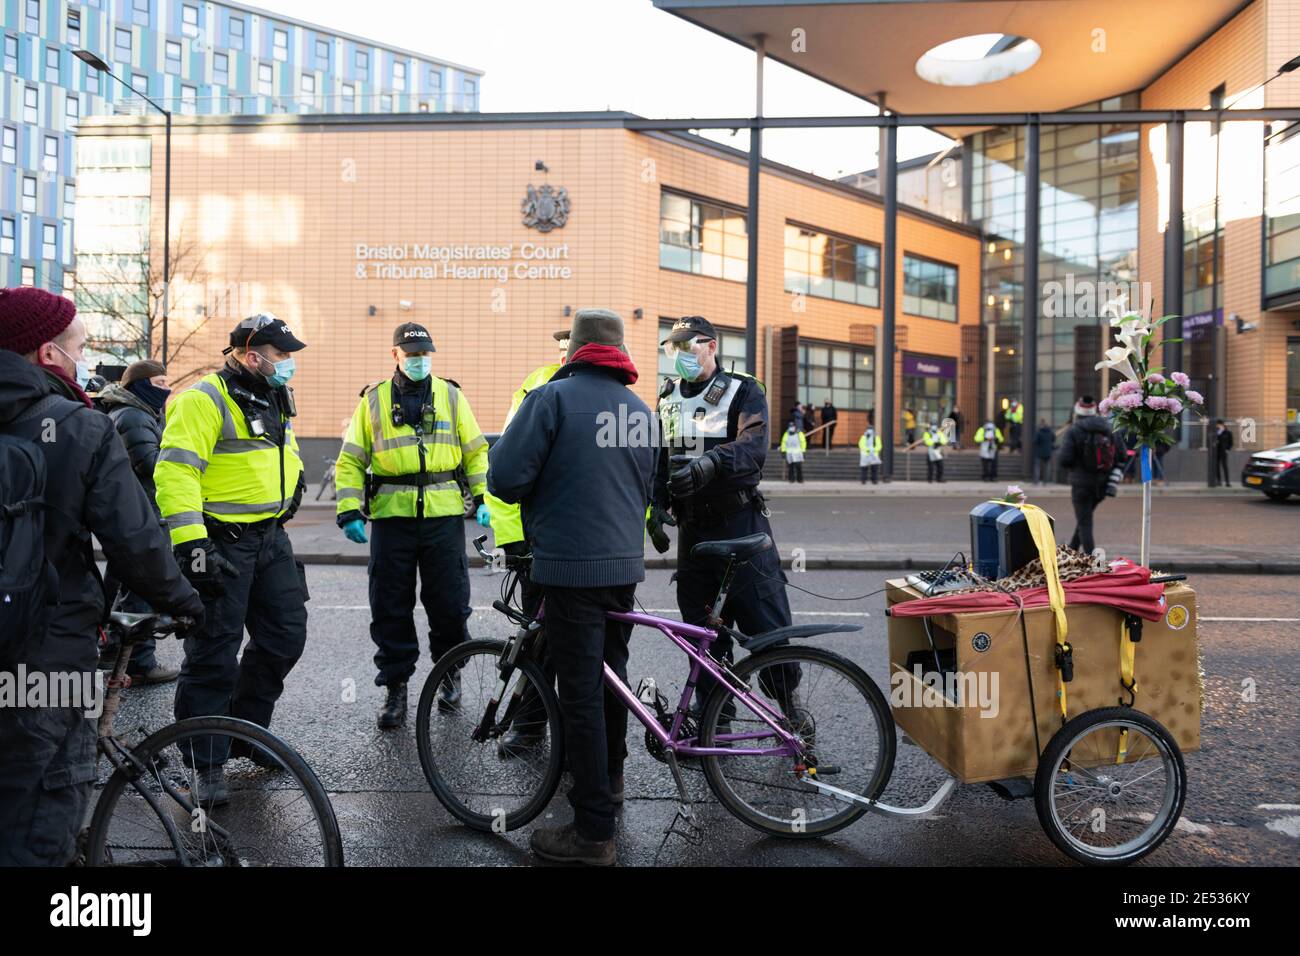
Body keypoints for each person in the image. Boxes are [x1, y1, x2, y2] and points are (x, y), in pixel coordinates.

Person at [0, 288, 203, 866]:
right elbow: (136, 540)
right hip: (48, 652)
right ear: (47, 354)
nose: (85, 360)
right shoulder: (79, 427)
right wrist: (185, 602)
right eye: (80, 347)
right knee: (45, 804)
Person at [488, 308, 654, 867]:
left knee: (579, 693)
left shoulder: (552, 399)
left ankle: (591, 834)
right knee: (612, 681)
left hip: (568, 567)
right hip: (622, 567)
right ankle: (610, 785)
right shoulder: (640, 410)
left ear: (574, 350)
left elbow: (505, 478)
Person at [155, 312, 310, 802]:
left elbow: (277, 452)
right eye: (280, 356)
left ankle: (246, 732)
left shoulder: (271, 393)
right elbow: (176, 473)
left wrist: (295, 481)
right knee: (213, 653)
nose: (287, 364)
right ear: (250, 355)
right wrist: (192, 544)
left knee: (285, 637)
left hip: (270, 538)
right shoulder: (203, 400)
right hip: (220, 540)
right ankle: (206, 762)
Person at [334, 322, 489, 728]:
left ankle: (450, 675)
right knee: (390, 606)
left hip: (443, 516)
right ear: (396, 355)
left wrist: (486, 498)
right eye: (412, 354)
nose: (420, 361)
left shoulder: (452, 396)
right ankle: (395, 687)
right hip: (392, 518)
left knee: (450, 604)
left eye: (425, 354)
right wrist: (349, 510)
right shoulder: (373, 401)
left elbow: (475, 452)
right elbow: (351, 458)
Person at [653, 315, 802, 729]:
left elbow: (754, 448)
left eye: (688, 347)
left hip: (741, 524)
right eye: (673, 348)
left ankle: (791, 712)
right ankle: (716, 717)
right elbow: (660, 458)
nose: (680, 356)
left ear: (711, 346)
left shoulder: (743, 390)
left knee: (765, 624)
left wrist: (711, 464)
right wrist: (655, 505)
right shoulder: (667, 397)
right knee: (701, 632)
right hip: (693, 532)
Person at [485, 327, 570, 755]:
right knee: (537, 637)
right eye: (558, 349)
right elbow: (503, 465)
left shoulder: (615, 391)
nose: (562, 357)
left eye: (569, 349)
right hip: (541, 540)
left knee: (593, 650)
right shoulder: (536, 386)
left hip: (589, 547)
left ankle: (585, 748)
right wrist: (513, 538)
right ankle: (532, 725)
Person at [97, 359, 178, 683]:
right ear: (139, 385)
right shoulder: (132, 415)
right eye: (159, 383)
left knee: (123, 585)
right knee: (142, 587)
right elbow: (150, 463)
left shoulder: (138, 412)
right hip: (142, 513)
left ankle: (114, 650)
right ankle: (140, 661)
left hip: (132, 513)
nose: (166, 389)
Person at [1057, 396, 1116, 556]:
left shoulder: (1074, 430)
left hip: (1081, 483)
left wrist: (1074, 467)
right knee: (1084, 519)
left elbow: (1065, 459)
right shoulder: (1107, 428)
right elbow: (1121, 454)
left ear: (1078, 411)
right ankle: (1071, 550)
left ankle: (1091, 561)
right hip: (1102, 484)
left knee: (1085, 523)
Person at [1033, 418, 1055, 485]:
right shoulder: (1050, 432)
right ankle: (1046, 481)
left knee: (1037, 467)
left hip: (1039, 452)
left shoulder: (1039, 432)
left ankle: (1036, 481)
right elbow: (1053, 439)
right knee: (1047, 467)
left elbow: (1035, 441)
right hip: (1048, 452)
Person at [1214, 419, 1234, 486]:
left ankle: (1227, 482)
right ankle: (1219, 481)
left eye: (1218, 424)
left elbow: (1231, 443)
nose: (1217, 426)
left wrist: (1227, 449)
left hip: (1224, 452)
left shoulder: (1228, 433)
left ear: (1221, 424)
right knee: (1217, 466)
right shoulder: (1216, 432)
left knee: (1224, 466)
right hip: (1217, 451)